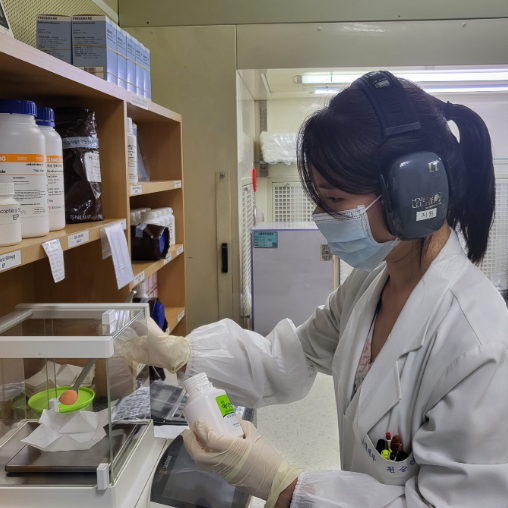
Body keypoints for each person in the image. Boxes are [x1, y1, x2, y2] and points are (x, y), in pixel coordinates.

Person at [124, 71, 508, 508]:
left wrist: (285, 487)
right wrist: (179, 352)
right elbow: (294, 355)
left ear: (411, 195)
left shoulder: (479, 345)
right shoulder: (370, 282)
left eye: (335, 200)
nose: (321, 217)